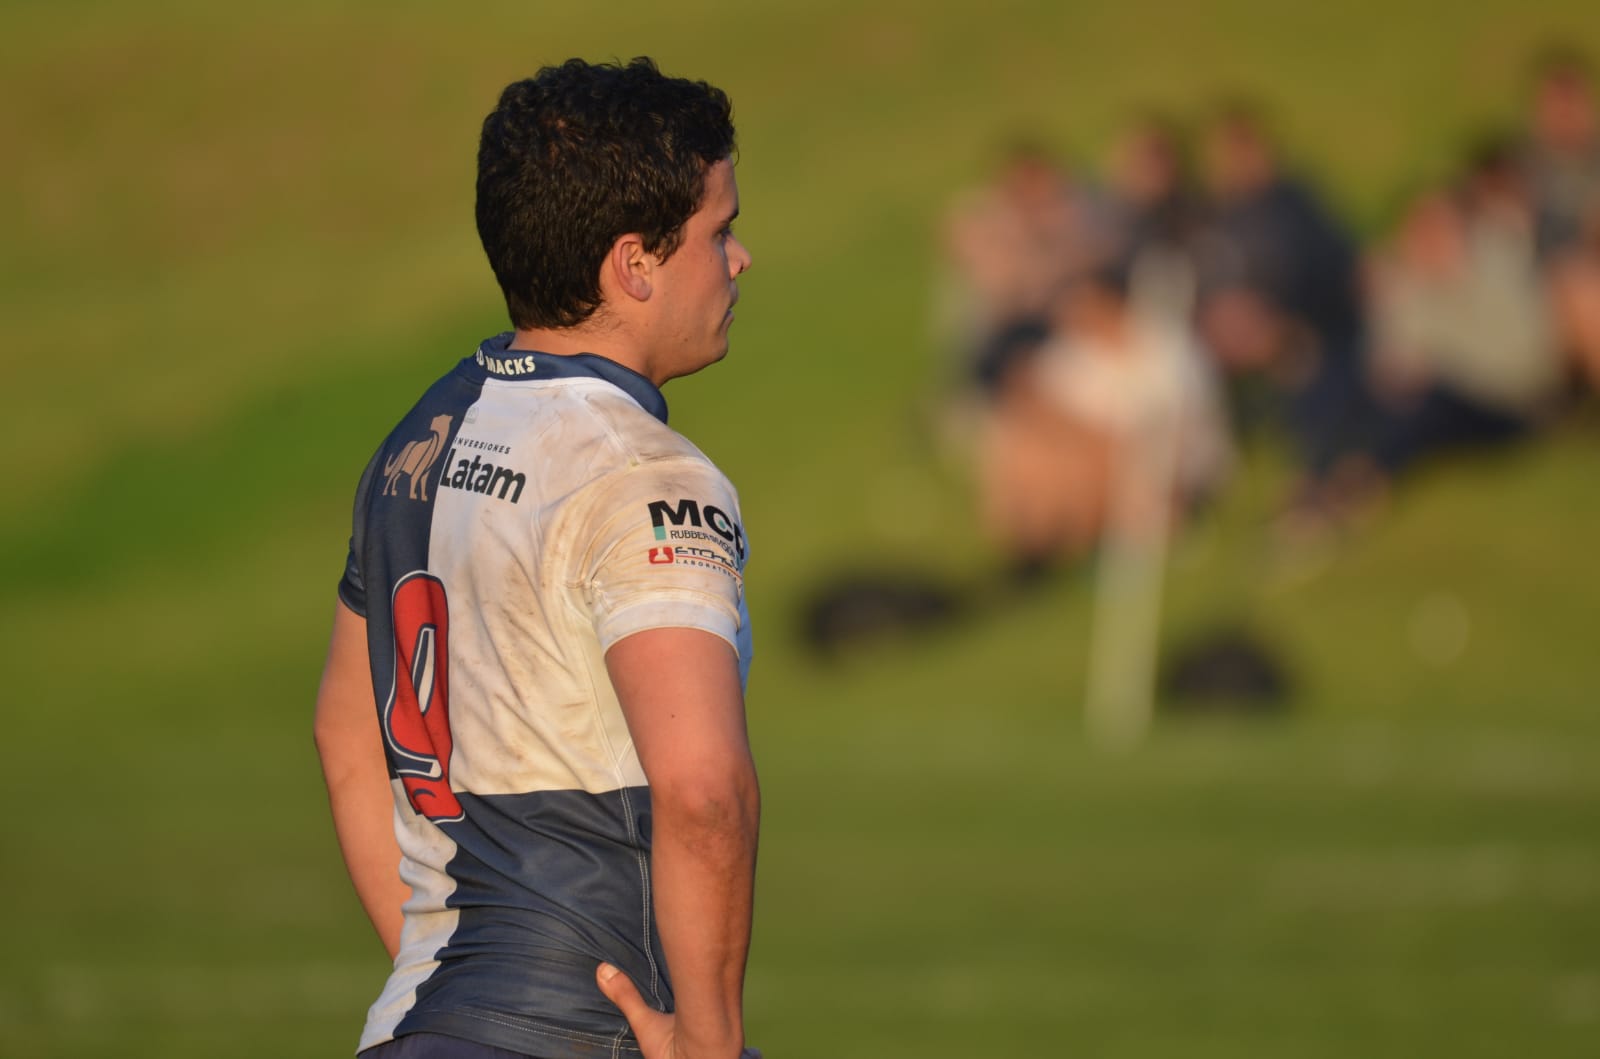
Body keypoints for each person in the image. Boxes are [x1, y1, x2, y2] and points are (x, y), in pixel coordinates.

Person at [313, 58, 760, 1059]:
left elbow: (348, 736)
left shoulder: (414, 441)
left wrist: (448, 980)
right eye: (717, 231)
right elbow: (702, 790)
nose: (738, 260)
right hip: (587, 1031)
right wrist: (714, 1041)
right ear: (633, 265)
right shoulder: (646, 476)